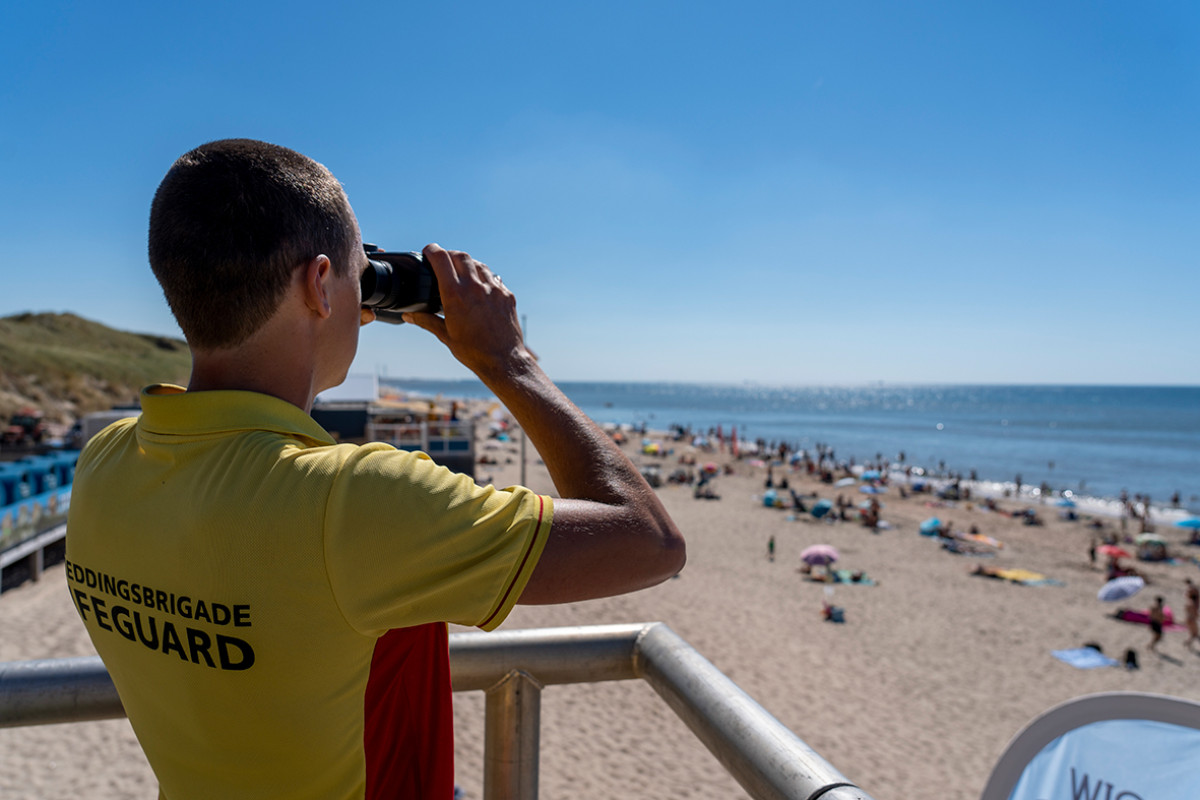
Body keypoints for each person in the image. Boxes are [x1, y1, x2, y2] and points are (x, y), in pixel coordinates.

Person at [64, 139, 685, 800]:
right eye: (360, 278)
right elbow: (650, 541)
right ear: (316, 284)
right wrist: (509, 361)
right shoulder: (353, 502)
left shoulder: (105, 465)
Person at [1185, 579, 1199, 650]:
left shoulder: (1187, 604)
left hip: (1188, 618)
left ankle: (1188, 643)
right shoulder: (1193, 604)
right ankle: (1187, 643)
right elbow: (1195, 613)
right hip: (1192, 619)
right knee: (1195, 633)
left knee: (1193, 633)